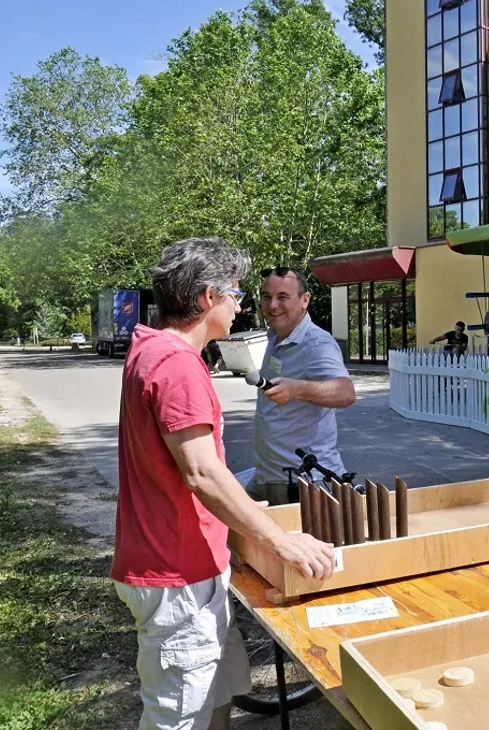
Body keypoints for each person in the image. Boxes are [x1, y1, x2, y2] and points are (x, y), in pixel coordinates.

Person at [111, 238, 335, 730]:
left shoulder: (154, 348)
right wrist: (280, 539)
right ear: (208, 297)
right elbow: (202, 471)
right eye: (236, 293)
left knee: (216, 696)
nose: (242, 305)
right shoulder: (177, 364)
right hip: (176, 573)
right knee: (179, 717)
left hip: (192, 566)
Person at [251, 267, 356, 506]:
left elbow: (345, 392)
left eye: (283, 297)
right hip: (270, 475)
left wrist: (296, 389)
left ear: (305, 299)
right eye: (267, 297)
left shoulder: (316, 343)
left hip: (303, 482)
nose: (273, 305)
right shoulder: (275, 335)